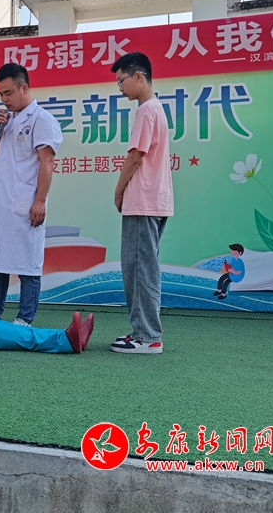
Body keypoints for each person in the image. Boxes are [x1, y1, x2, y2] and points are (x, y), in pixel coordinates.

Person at [0, 63, 63, 326]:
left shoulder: (42, 120)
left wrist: (40, 201)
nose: (4, 99)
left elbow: (47, 162)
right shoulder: (7, 121)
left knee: (27, 262)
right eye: (0, 94)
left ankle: (25, 318)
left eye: (8, 93)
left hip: (25, 203)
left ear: (24, 88)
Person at [110, 52, 174, 354]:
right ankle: (145, 332)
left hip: (143, 201)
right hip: (152, 200)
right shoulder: (154, 109)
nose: (120, 87)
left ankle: (147, 337)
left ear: (139, 76)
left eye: (121, 80)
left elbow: (136, 155)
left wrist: (119, 190)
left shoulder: (147, 110)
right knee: (143, 267)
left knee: (140, 269)